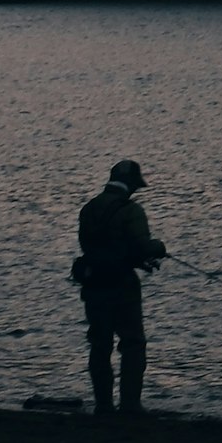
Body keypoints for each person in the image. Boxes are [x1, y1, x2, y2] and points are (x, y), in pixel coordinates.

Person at [72, 159, 167, 416]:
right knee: (132, 343)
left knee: (100, 344)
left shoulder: (89, 208)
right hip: (122, 286)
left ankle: (103, 405)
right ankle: (130, 405)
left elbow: (98, 249)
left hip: (93, 285)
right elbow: (142, 246)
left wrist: (136, 260)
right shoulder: (131, 210)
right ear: (131, 184)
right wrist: (159, 248)